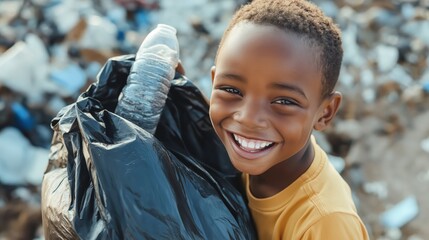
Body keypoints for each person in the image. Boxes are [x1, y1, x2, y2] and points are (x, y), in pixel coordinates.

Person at [208, 0, 370, 239]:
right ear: (213, 82)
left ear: (325, 113)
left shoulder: (325, 223)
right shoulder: (240, 145)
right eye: (232, 90)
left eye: (284, 102)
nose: (249, 119)